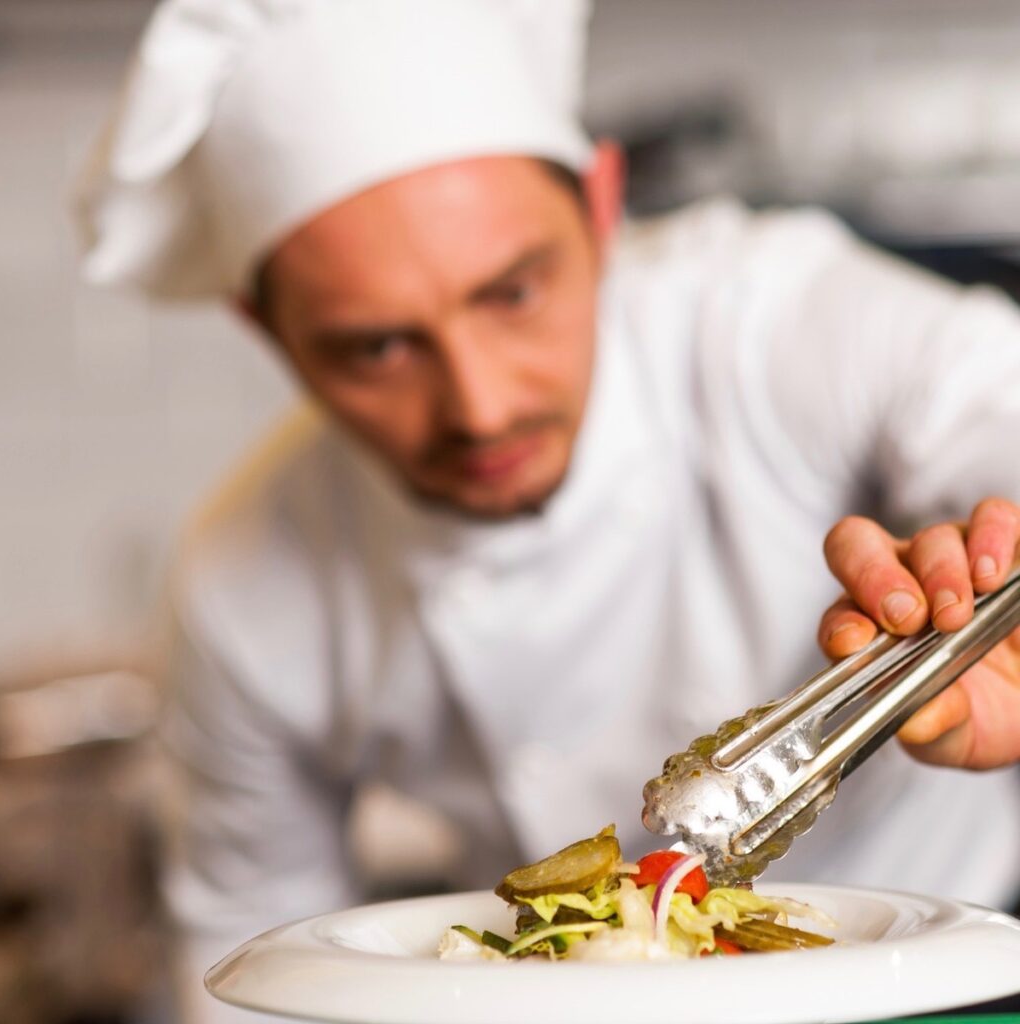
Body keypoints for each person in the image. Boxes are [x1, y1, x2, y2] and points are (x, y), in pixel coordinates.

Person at [75, 1, 1020, 1020]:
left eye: (512, 292)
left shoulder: (773, 322)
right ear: (266, 328)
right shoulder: (243, 585)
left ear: (603, 203)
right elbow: (248, 972)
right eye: (376, 348)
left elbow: (991, 411)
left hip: (948, 979)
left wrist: (985, 558)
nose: (480, 407)